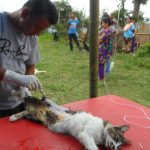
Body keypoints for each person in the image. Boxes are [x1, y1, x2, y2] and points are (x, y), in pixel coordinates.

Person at [0, 0, 58, 118]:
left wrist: (27, 81)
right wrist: (17, 78)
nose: (37, 34)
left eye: (41, 30)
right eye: (37, 27)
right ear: (25, 13)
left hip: (18, 102)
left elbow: (30, 65)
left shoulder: (32, 37)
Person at [98, 15, 113, 80]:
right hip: (107, 49)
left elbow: (100, 40)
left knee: (100, 62)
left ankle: (101, 77)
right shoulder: (110, 29)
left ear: (106, 23)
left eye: (102, 23)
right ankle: (101, 75)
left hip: (103, 49)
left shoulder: (106, 31)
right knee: (103, 62)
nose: (101, 24)